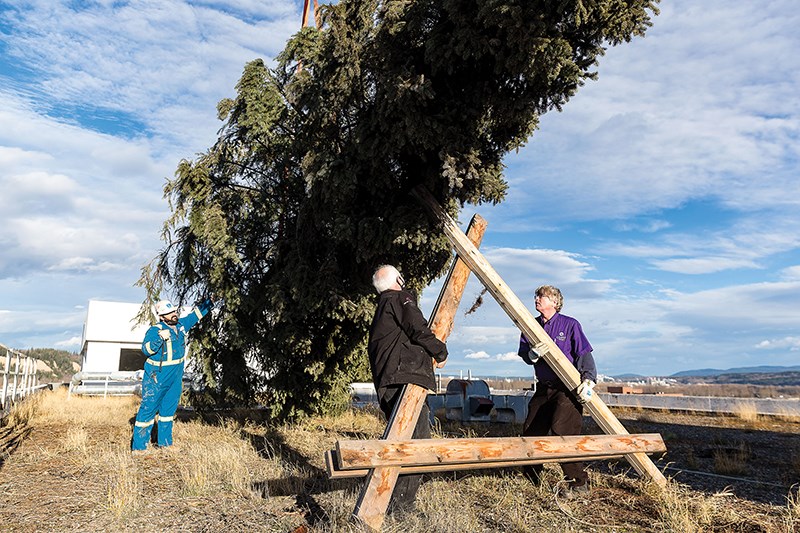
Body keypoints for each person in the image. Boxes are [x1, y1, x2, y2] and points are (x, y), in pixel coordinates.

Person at [367, 264, 448, 512]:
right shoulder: (400, 298)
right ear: (398, 279)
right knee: (415, 445)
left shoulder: (382, 308)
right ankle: (402, 507)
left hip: (390, 381)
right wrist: (440, 351)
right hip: (405, 379)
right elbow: (417, 327)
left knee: (399, 441)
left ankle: (385, 498)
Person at [517, 285, 597, 494]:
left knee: (563, 430)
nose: (536, 299)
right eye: (536, 296)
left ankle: (578, 483)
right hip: (545, 387)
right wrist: (531, 354)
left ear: (554, 301)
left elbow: (583, 353)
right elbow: (524, 353)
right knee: (531, 430)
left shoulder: (570, 324)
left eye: (541, 297)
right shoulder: (531, 326)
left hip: (567, 388)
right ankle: (531, 479)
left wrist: (589, 380)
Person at [131, 298, 212, 452]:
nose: (173, 314)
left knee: (168, 410)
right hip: (157, 377)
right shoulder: (155, 330)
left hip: (175, 376)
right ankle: (139, 448)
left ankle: (165, 444)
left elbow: (195, 315)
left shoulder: (181, 326)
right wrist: (160, 338)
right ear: (161, 317)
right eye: (168, 313)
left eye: (173, 311)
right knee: (148, 409)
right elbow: (146, 350)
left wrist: (210, 301)